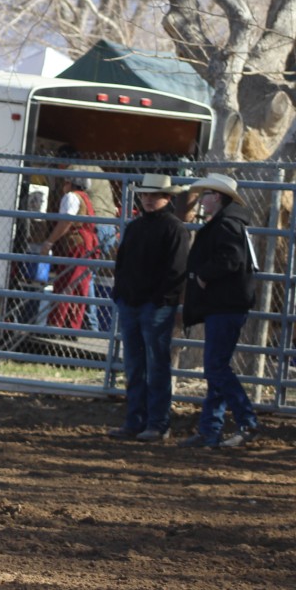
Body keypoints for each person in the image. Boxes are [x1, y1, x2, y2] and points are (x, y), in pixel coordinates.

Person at [178, 173, 260, 448]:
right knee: (217, 367)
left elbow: (231, 258)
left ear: (218, 197)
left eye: (207, 195)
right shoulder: (230, 223)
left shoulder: (225, 225)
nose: (203, 200)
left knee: (215, 367)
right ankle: (210, 429)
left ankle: (245, 420)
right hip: (226, 304)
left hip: (224, 304)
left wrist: (203, 275)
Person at [107, 174, 190, 442]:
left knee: (152, 365)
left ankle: (154, 422)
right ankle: (139, 421)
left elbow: (177, 270)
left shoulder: (173, 229)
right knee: (137, 365)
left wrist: (157, 298)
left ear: (167, 197)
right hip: (137, 303)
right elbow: (122, 264)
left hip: (152, 306)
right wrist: (121, 293)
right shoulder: (138, 227)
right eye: (145, 195)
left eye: (154, 195)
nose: (148, 199)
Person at [39, 172, 96, 331]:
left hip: (75, 244)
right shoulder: (86, 198)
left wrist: (50, 241)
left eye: (66, 182)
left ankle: (56, 325)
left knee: (66, 283)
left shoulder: (71, 197)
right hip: (86, 245)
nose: (64, 185)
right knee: (79, 286)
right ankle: (71, 326)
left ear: (71, 184)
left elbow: (66, 221)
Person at [69, 165, 118, 331]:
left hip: (94, 223)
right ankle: (86, 320)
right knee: (89, 274)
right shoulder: (99, 171)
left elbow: (70, 195)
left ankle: (90, 323)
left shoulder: (74, 170)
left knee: (86, 275)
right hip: (110, 225)